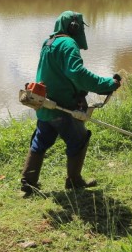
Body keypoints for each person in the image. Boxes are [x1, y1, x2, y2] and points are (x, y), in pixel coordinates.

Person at [20, 11, 121, 196]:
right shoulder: (68, 43)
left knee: (40, 142)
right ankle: (74, 182)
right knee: (79, 139)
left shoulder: (49, 42)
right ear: (74, 26)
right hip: (63, 107)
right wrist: (106, 84)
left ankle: (28, 184)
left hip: (44, 104)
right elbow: (77, 73)